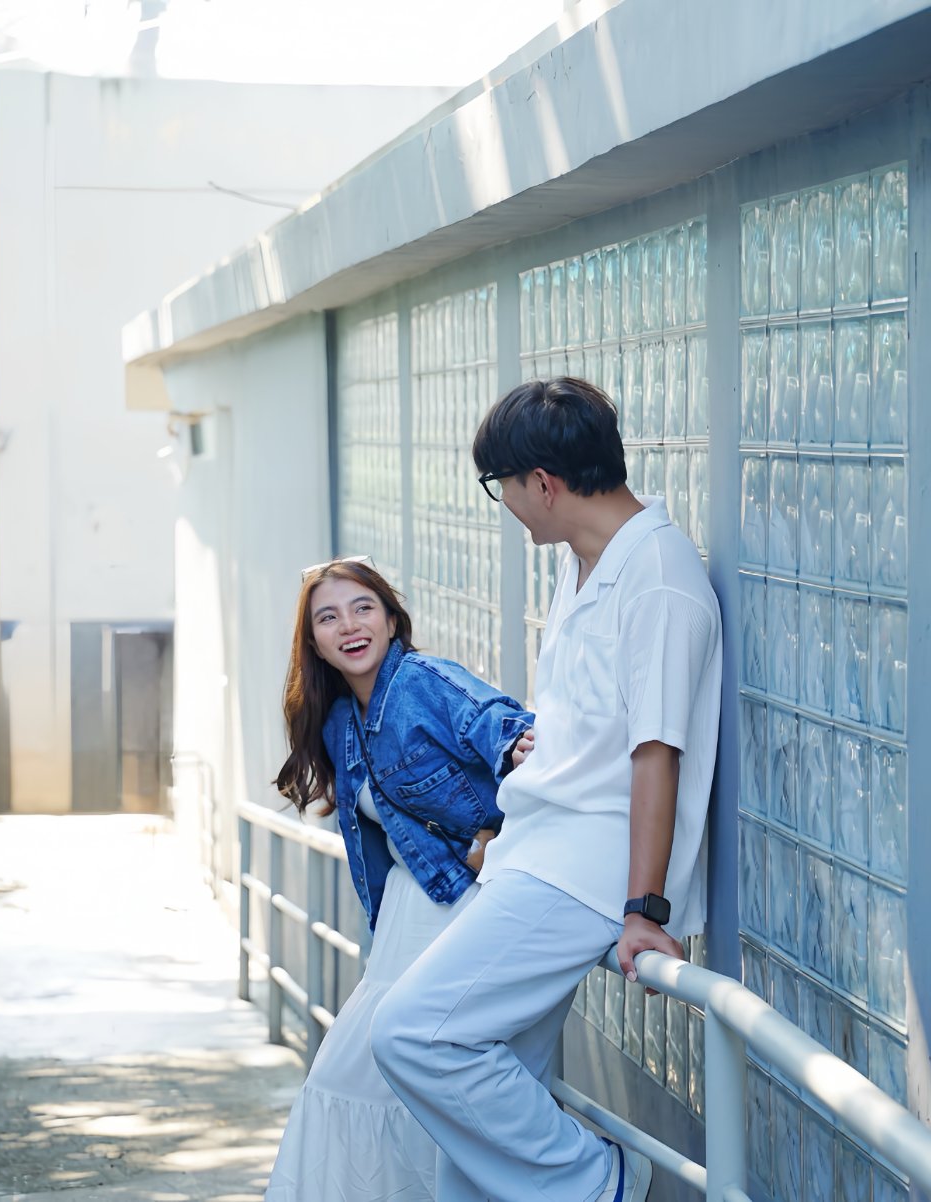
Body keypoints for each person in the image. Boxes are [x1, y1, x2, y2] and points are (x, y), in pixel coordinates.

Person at [371, 378, 724, 1202]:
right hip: (535, 851)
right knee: (483, 1116)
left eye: (500, 486)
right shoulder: (587, 562)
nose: (504, 506)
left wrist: (644, 910)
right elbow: (597, 722)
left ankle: (601, 1183)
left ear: (544, 483)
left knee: (416, 1034)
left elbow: (657, 753)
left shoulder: (658, 578)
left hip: (578, 872)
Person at [264, 558, 535, 1202]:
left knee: (358, 1073)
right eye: (328, 617)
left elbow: (504, 730)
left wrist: (497, 827)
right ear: (314, 643)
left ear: (391, 618)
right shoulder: (339, 722)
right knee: (383, 1084)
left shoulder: (422, 681)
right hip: (404, 920)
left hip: (460, 911)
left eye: (363, 608)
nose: (349, 626)